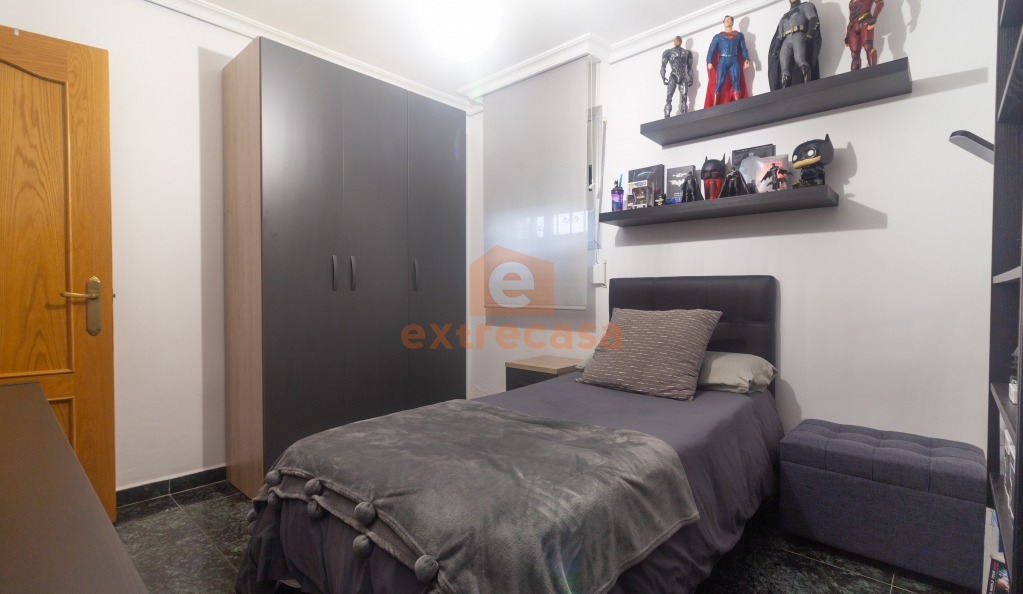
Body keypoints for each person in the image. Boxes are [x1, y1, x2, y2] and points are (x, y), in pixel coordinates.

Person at [704, 16, 751, 107]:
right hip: (723, 60)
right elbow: (711, 51)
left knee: (736, 83)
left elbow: (743, 49)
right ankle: (714, 107)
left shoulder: (739, 35)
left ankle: (738, 106)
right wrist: (709, 61)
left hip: (734, 60)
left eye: (729, 20)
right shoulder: (718, 37)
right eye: (725, 20)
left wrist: (746, 59)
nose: (727, 21)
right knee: (719, 83)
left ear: (732, 22)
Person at [660, 36, 694, 118]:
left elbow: (690, 67)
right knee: (669, 97)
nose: (675, 41)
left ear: (680, 41)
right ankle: (667, 115)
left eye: (677, 40)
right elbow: (663, 65)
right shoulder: (668, 52)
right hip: (674, 75)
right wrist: (663, 76)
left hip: (682, 75)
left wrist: (691, 77)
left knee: (684, 98)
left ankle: (684, 115)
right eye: (675, 40)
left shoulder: (687, 53)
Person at [846, 0, 884, 69]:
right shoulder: (851, 2)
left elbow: (880, 2)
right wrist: (847, 34)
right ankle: (855, 75)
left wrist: (874, 17)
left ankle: (873, 71)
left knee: (868, 47)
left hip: (864, 22)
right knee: (854, 54)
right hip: (853, 27)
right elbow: (851, 19)